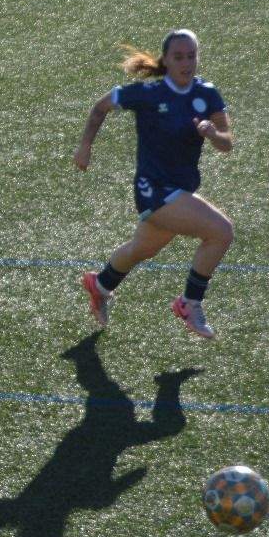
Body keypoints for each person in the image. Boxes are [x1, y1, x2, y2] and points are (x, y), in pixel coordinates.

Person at [72, 30, 235, 340]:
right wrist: (85, 147)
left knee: (140, 249)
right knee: (221, 232)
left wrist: (213, 134)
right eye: (179, 57)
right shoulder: (149, 94)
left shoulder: (208, 94)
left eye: (191, 56)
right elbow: (100, 106)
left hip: (180, 190)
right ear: (166, 61)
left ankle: (100, 284)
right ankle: (189, 302)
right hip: (153, 189)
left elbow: (227, 144)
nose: (186, 63)